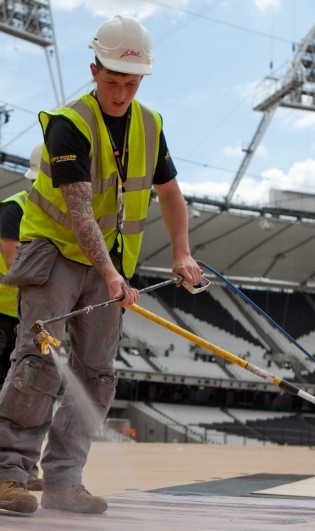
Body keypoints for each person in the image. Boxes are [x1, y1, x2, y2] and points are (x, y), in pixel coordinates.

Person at [0, 15, 202, 515]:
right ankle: (8, 472)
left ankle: (65, 479)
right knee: (38, 363)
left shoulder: (151, 125)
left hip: (110, 266)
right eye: (112, 81)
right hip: (56, 257)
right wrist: (112, 274)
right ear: (94, 71)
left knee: (96, 375)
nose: (120, 93)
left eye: (130, 84)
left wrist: (182, 251)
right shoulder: (70, 124)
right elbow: (79, 210)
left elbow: (171, 194)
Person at [0, 143, 43, 491]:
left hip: (25, 314)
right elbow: (17, 266)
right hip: (3, 311)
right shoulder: (15, 208)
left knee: (24, 389)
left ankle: (19, 466)